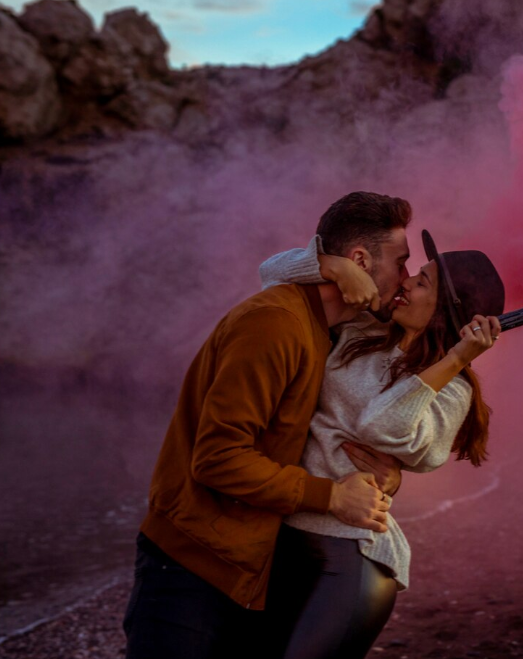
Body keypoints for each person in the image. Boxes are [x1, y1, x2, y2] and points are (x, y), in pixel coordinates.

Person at [123, 192, 418, 659]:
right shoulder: (275, 323)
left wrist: (381, 474)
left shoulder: (327, 329)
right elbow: (218, 458)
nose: (404, 278)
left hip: (246, 560)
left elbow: (311, 432)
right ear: (360, 260)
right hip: (193, 566)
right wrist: (333, 496)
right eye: (400, 263)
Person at [259, 229, 505, 659]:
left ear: (445, 310)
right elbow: (271, 273)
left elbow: (379, 427)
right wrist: (333, 265)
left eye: (423, 282)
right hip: (285, 537)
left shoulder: (451, 391)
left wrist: (455, 360)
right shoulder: (362, 330)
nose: (407, 281)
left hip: (352, 558)